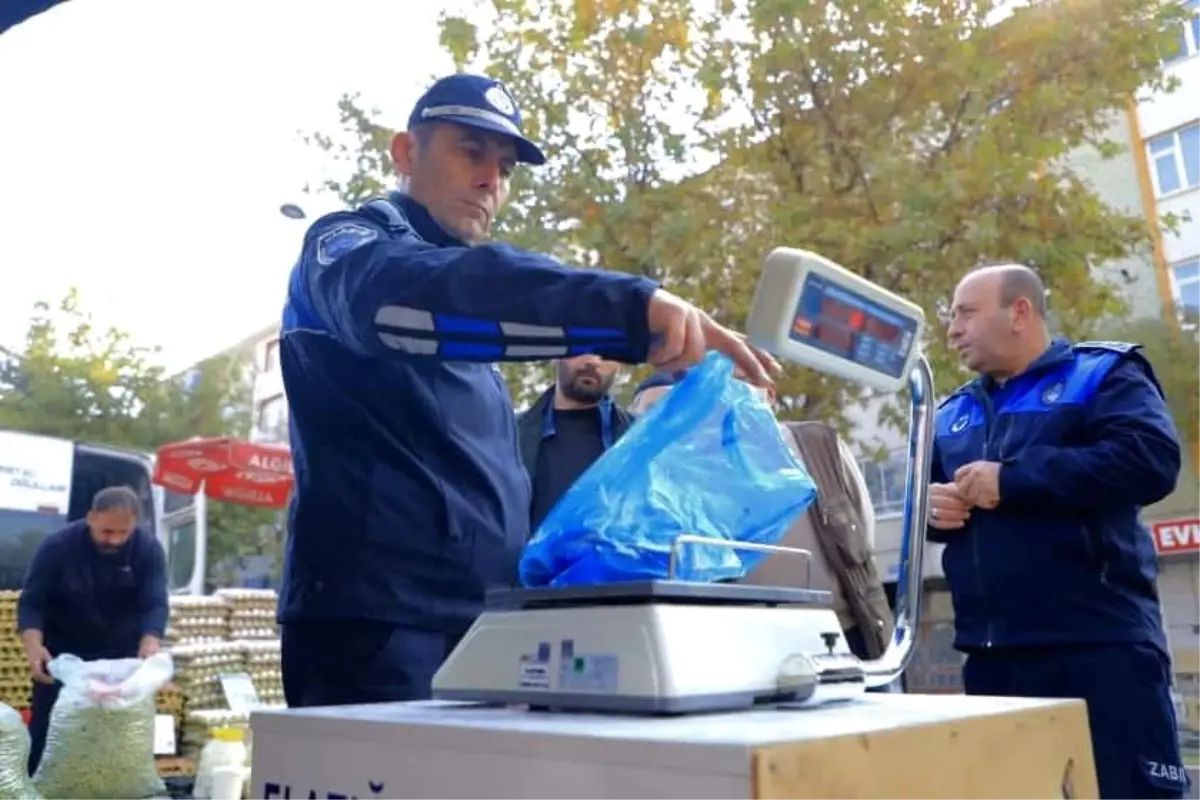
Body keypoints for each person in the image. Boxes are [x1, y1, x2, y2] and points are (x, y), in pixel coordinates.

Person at [276, 72, 780, 708]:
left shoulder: (466, 327)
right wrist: (631, 309)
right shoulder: (346, 248)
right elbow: (407, 298)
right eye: (470, 152)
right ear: (406, 153)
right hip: (376, 628)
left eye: (506, 166)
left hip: (483, 626)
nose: (492, 180)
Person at [929, 263, 1187, 799]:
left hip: (1099, 648)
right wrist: (931, 512)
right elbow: (929, 506)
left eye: (966, 313)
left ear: (1020, 312)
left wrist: (1014, 479)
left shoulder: (1103, 374)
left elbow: (1151, 461)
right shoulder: (949, 414)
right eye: (951, 316)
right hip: (992, 659)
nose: (952, 329)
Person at [629, 370, 895, 667]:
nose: (734, 389)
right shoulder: (698, 460)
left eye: (745, 377)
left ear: (769, 392)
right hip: (753, 641)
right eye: (725, 377)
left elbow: (862, 526)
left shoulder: (817, 443)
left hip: (844, 630)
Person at [16, 486, 167, 773]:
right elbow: (32, 604)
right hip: (62, 659)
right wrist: (33, 646)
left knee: (115, 741)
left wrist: (150, 642)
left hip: (118, 662)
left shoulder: (148, 549)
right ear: (90, 518)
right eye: (107, 532)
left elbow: (155, 604)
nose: (115, 540)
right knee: (48, 736)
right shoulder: (57, 547)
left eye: (124, 533)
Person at [517, 355, 634, 532]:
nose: (594, 361)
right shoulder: (508, 435)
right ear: (558, 352)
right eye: (583, 346)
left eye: (608, 352)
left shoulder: (639, 439)